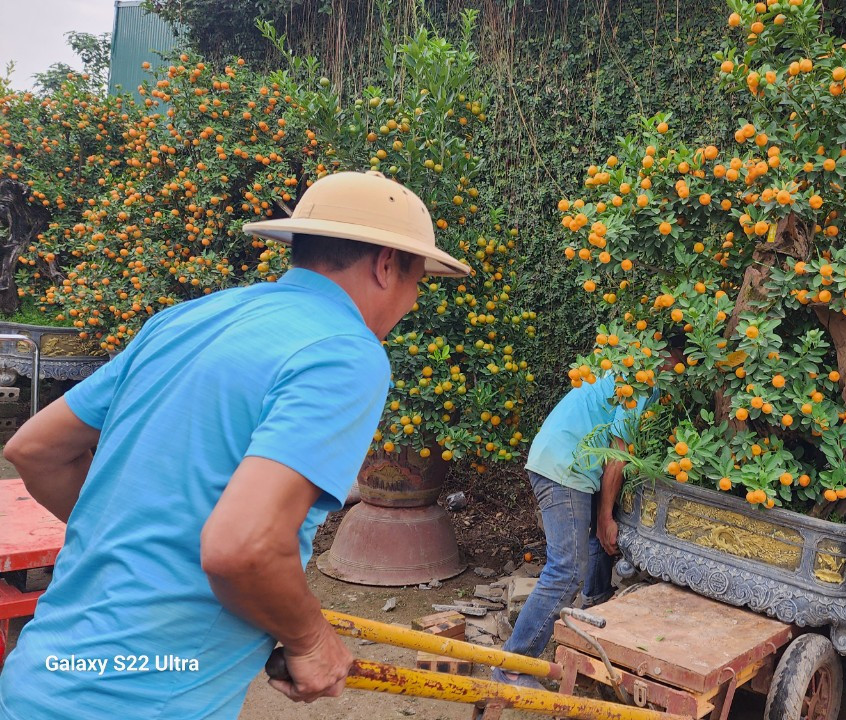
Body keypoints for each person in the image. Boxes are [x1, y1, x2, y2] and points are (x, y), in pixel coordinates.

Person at [0, 171, 469, 719]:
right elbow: (242, 548)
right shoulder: (345, 351)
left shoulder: (186, 319)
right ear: (387, 265)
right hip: (142, 701)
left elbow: (35, 448)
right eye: (418, 281)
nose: (412, 302)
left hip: (41, 675)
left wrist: (145, 546)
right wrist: (311, 640)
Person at [494, 345, 680, 688]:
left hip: (564, 460)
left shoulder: (627, 370)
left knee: (593, 547)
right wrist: (606, 516)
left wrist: (604, 518)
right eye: (679, 370)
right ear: (671, 361)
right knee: (566, 570)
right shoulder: (641, 384)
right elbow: (617, 454)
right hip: (565, 468)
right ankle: (511, 667)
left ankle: (594, 617)